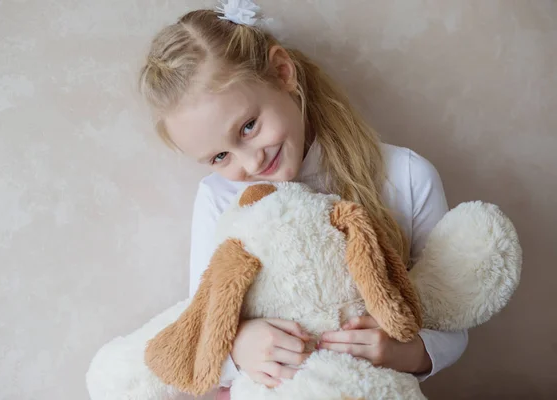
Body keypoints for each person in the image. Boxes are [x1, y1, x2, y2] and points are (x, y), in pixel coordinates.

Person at [138, 1, 468, 398]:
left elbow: (453, 326)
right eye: (219, 157)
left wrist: (406, 352)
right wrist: (239, 349)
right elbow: (200, 322)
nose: (252, 161)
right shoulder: (218, 197)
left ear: (282, 73)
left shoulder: (406, 177)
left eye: (248, 126)